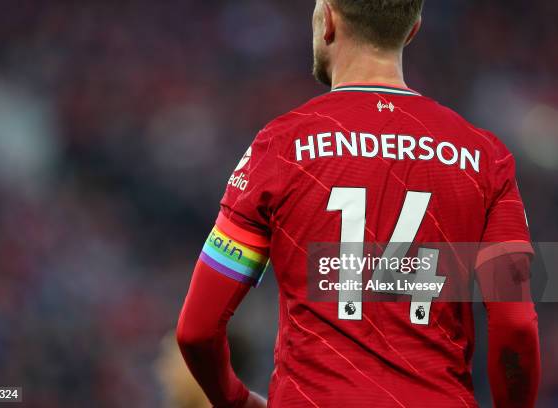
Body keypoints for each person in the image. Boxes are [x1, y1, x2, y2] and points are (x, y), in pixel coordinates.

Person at [176, 1, 540, 406]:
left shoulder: (280, 146)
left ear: (327, 20)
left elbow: (197, 330)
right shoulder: (486, 159)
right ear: (412, 29)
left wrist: (237, 400)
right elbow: (516, 325)